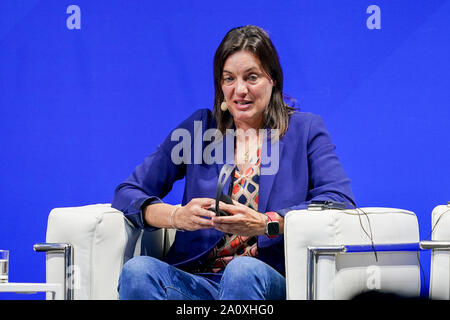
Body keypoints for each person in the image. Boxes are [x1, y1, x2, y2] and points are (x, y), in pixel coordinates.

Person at [112, 25, 355, 300]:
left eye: (251, 77)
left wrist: (268, 223)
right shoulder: (199, 130)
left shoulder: (305, 130)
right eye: (229, 79)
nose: (240, 90)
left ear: (272, 79)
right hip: (197, 281)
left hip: (266, 279)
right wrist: (175, 217)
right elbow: (128, 192)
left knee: (241, 271)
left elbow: (338, 200)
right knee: (138, 271)